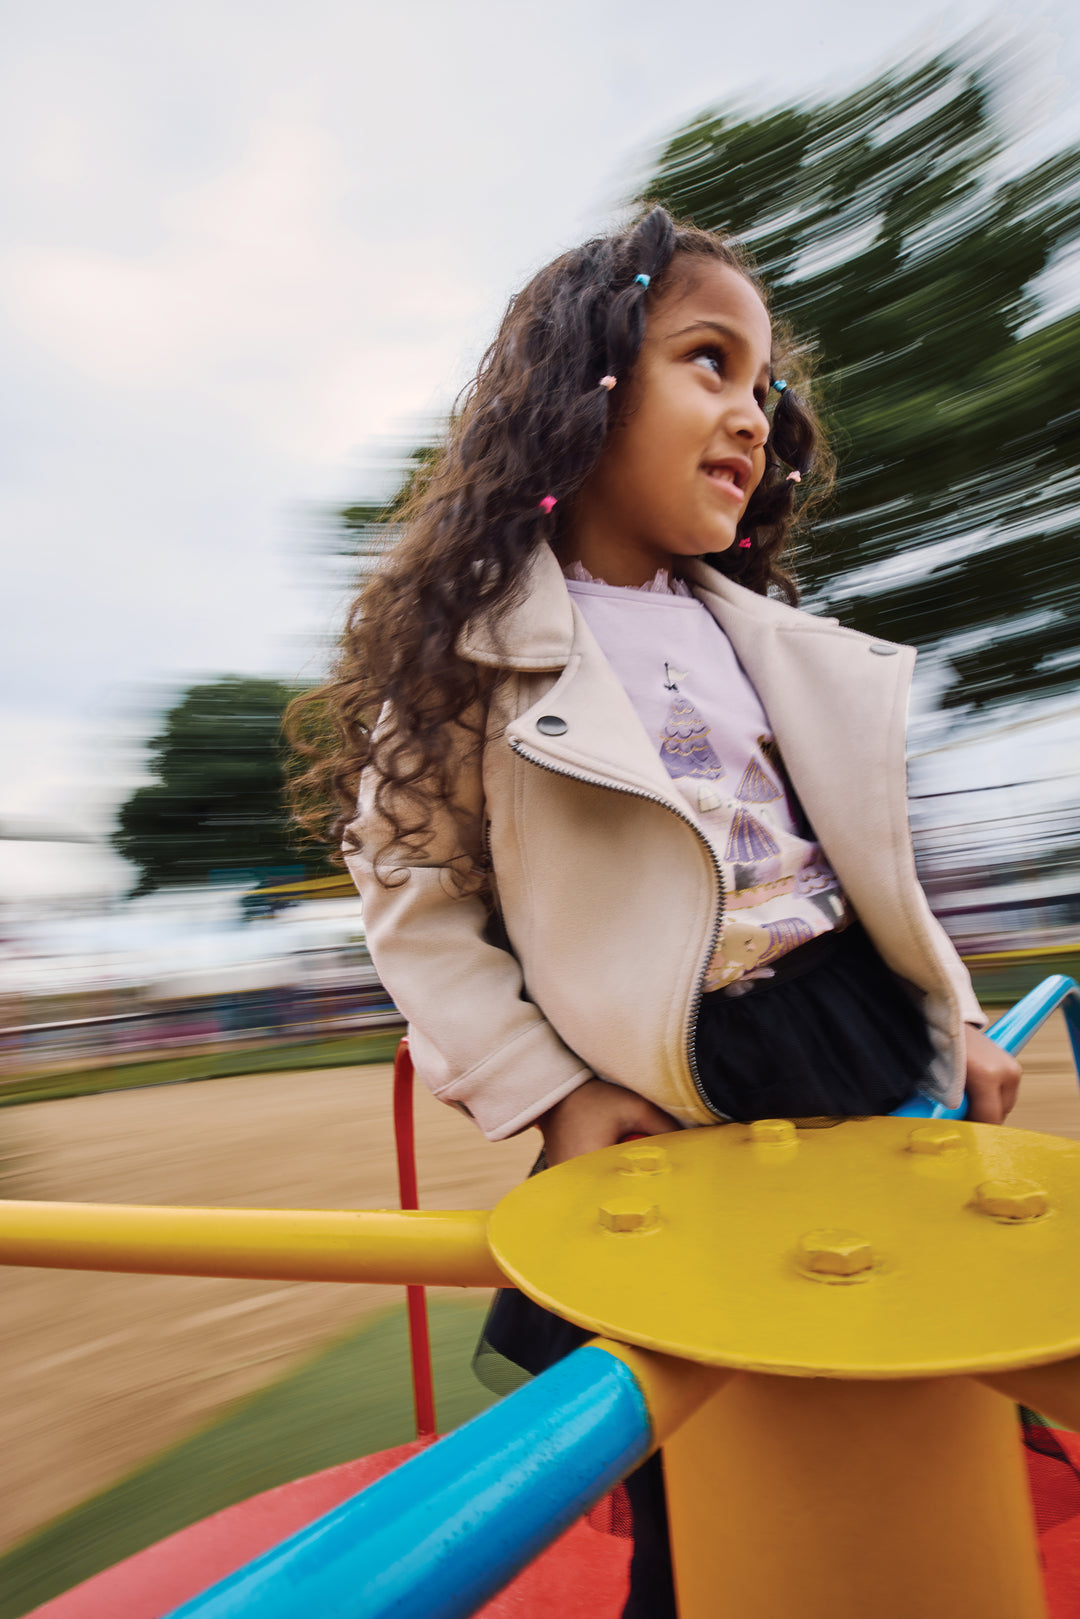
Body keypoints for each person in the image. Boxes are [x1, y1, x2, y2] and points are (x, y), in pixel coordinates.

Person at [290, 205, 1022, 1616]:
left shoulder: (758, 634)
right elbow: (412, 898)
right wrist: (548, 1093)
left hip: (858, 1041)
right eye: (708, 361)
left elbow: (868, 873)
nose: (751, 414)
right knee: (708, 1476)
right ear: (586, 392)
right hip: (672, 1092)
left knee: (926, 1386)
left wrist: (959, 1022)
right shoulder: (480, 652)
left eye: (764, 387)